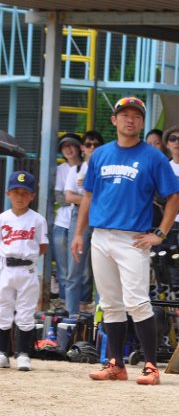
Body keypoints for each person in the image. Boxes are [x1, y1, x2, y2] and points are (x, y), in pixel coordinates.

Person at [71, 96, 179, 385]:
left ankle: (151, 366)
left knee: (137, 302)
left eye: (136, 116)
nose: (130, 120)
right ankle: (116, 364)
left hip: (133, 238)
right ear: (114, 119)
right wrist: (79, 233)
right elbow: (88, 195)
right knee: (109, 303)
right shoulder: (100, 154)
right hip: (101, 235)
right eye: (124, 115)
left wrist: (160, 233)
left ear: (142, 122)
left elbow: (174, 197)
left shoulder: (153, 157)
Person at [0, 172, 48, 371]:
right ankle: (2, 353)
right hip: (6, 268)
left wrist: (29, 257)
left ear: (32, 196)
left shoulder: (37, 220)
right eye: (16, 192)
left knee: (26, 311)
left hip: (27, 269)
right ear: (8, 193)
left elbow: (42, 246)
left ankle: (23, 354)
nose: (20, 197)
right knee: (3, 309)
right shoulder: (3, 218)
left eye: (25, 193)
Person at [64, 130, 104, 311]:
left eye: (96, 145)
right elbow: (69, 197)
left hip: (101, 216)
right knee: (74, 269)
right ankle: (71, 317)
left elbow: (107, 197)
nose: (92, 148)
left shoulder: (105, 168)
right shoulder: (76, 169)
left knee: (102, 270)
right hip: (79, 216)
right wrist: (89, 198)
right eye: (88, 144)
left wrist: (89, 197)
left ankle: (101, 317)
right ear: (82, 148)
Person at [51, 133, 82, 315]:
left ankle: (83, 304)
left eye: (71, 145)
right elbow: (60, 197)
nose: (68, 149)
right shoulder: (61, 169)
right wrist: (79, 199)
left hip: (81, 223)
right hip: (62, 222)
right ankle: (64, 304)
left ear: (79, 147)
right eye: (64, 147)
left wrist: (72, 197)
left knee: (80, 269)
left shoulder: (86, 167)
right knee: (63, 268)